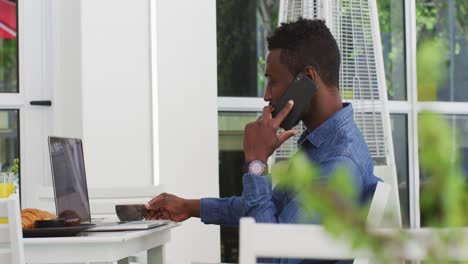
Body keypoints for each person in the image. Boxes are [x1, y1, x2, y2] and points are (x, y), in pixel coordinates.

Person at [145, 18, 381, 264]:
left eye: (273, 81)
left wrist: (256, 163)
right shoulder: (325, 144)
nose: (267, 95)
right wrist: (190, 207)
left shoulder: (336, 163)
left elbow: (271, 257)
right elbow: (269, 208)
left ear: (308, 78)